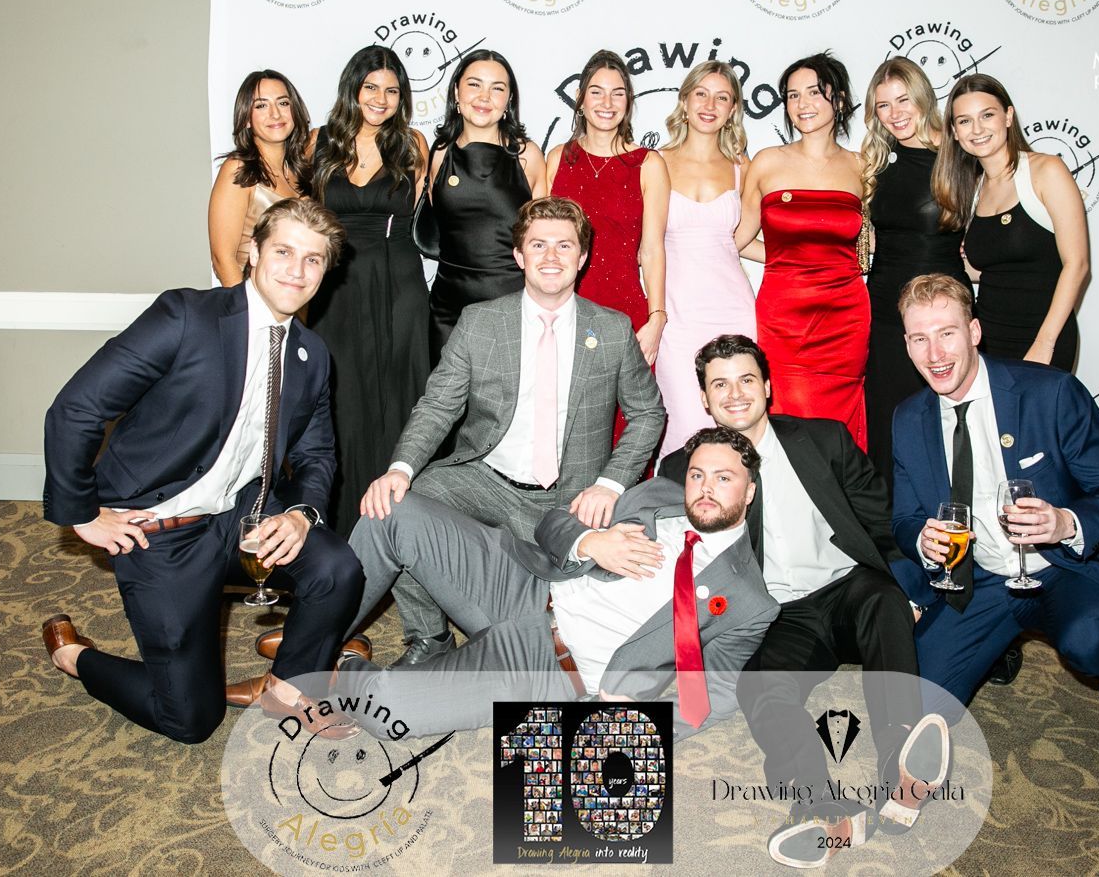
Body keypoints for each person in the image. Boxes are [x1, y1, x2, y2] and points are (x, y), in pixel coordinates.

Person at [40, 198, 366, 743]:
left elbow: (317, 456)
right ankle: (75, 657)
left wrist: (301, 515)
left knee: (337, 566)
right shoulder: (186, 316)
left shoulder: (311, 354)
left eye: (313, 260)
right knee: (191, 720)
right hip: (160, 529)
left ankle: (287, 691)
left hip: (239, 515)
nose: (297, 270)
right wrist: (82, 512)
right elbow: (76, 409)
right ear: (254, 252)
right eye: (283, 252)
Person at [657, 335, 942, 858]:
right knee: (761, 687)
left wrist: (911, 588)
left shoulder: (824, 440)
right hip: (778, 615)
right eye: (720, 384)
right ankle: (818, 806)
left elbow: (881, 522)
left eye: (747, 379)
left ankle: (899, 764)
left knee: (884, 600)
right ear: (704, 398)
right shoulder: (684, 470)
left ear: (768, 387)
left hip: (848, 588)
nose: (735, 394)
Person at [352, 196, 665, 664]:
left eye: (564, 245)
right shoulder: (480, 322)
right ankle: (428, 636)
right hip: (486, 479)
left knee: (569, 625)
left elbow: (648, 413)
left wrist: (610, 483)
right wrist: (400, 468)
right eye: (538, 245)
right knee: (396, 500)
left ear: (582, 258)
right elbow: (438, 405)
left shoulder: (613, 329)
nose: (551, 256)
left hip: (571, 496)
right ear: (519, 255)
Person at [337, 427, 780, 742]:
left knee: (384, 710)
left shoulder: (750, 601)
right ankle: (313, 642)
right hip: (525, 584)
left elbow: (715, 695)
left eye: (724, 478)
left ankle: (341, 664)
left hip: (548, 670)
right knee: (392, 511)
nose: (705, 489)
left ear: (749, 491)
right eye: (698, 475)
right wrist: (590, 542)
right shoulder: (654, 495)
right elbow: (553, 523)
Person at [891, 273, 1099, 779]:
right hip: (981, 577)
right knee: (921, 700)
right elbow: (903, 519)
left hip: (1060, 569)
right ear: (906, 344)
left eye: (947, 333)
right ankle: (1000, 642)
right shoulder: (908, 418)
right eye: (919, 338)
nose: (934, 354)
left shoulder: (1050, 393)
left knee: (1093, 640)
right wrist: (922, 539)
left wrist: (1064, 521)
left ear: (974, 332)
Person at [307, 46, 431, 539]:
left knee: (400, 400)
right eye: (371, 88)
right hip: (335, 285)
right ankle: (337, 529)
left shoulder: (412, 144)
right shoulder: (319, 142)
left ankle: (399, 532)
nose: (381, 99)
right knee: (342, 402)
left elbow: (421, 210)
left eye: (392, 91)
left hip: (399, 281)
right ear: (352, 90)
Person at [736, 52, 870, 450]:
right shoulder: (767, 162)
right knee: (786, 416)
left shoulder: (862, 167)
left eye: (814, 92)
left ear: (839, 100)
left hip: (845, 317)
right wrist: (786, 257)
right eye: (793, 96)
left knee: (840, 423)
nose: (802, 104)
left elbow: (871, 243)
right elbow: (738, 239)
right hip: (783, 317)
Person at [547, 50, 669, 451]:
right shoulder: (558, 159)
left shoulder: (647, 163)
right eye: (597, 92)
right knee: (563, 426)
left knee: (624, 428)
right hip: (564, 310)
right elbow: (538, 244)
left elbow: (652, 249)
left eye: (618, 93)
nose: (607, 102)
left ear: (628, 102)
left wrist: (656, 318)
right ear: (580, 99)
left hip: (624, 312)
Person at [859, 57, 972, 486]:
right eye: (883, 105)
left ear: (923, 97)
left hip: (943, 312)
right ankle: (892, 520)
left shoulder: (960, 155)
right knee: (888, 422)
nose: (895, 113)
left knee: (946, 419)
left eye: (903, 100)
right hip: (885, 313)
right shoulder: (878, 164)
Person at [932, 73, 1089, 370]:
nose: (977, 129)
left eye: (987, 115)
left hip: (1042, 336)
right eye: (964, 121)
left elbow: (1077, 264)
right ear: (954, 132)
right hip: (987, 340)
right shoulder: (974, 189)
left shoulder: (1046, 171)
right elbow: (992, 269)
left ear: (1008, 116)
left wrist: (1045, 343)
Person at [654, 62, 758, 457]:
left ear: (733, 109)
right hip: (676, 315)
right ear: (684, 100)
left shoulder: (743, 167)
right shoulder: (655, 162)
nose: (710, 105)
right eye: (701, 94)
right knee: (682, 423)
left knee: (737, 421)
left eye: (722, 97)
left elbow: (741, 242)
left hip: (733, 309)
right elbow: (645, 243)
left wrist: (811, 258)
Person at [425, 49, 547, 365]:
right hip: (448, 309)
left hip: (511, 306)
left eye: (497, 88)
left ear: (509, 99)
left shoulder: (527, 156)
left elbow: (542, 240)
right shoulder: (439, 153)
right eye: (474, 84)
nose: (484, 97)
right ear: (456, 92)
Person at [208, 69, 312, 286]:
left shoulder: (303, 170)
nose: (275, 114)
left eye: (283, 103)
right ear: (246, 118)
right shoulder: (238, 169)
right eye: (261, 106)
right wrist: (248, 306)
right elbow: (222, 260)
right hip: (253, 297)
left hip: (297, 296)